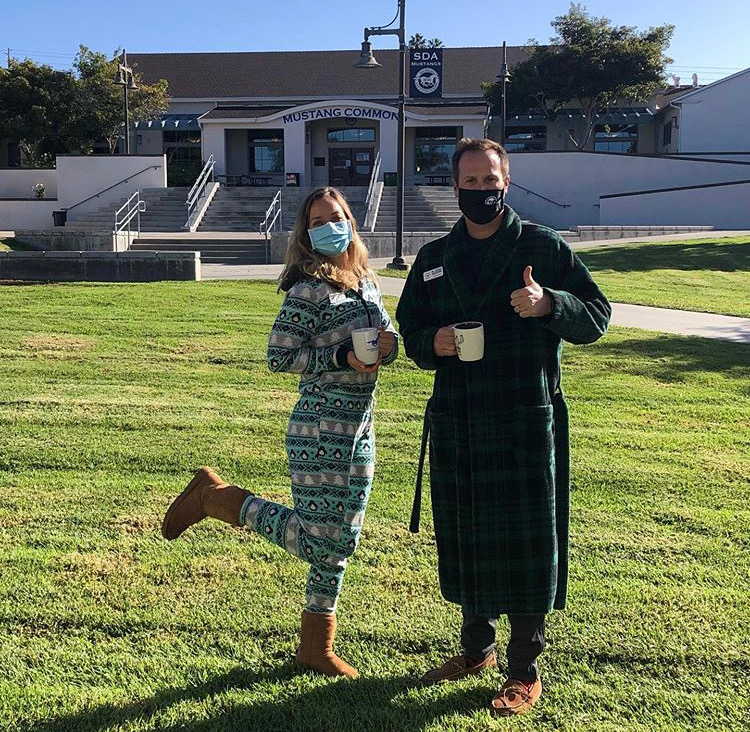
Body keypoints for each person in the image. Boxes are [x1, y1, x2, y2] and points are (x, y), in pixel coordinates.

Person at [396, 138, 611, 715]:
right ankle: (475, 649)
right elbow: (409, 325)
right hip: (459, 420)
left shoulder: (541, 245)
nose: (480, 190)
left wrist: (548, 306)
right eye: (469, 182)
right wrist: (429, 344)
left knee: (525, 543)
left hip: (522, 421)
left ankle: (524, 668)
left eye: (489, 180)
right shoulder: (434, 257)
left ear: (505, 183)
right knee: (466, 537)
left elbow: (598, 315)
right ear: (456, 187)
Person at [161, 186, 398, 679]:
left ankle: (314, 649)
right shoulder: (308, 287)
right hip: (318, 427)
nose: (329, 225)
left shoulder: (366, 279)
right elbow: (280, 356)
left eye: (336, 216)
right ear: (306, 233)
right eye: (317, 221)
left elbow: (382, 336)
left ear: (350, 221)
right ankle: (213, 498)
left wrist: (388, 345)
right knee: (319, 542)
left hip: (361, 426)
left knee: (342, 540)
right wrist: (341, 358)